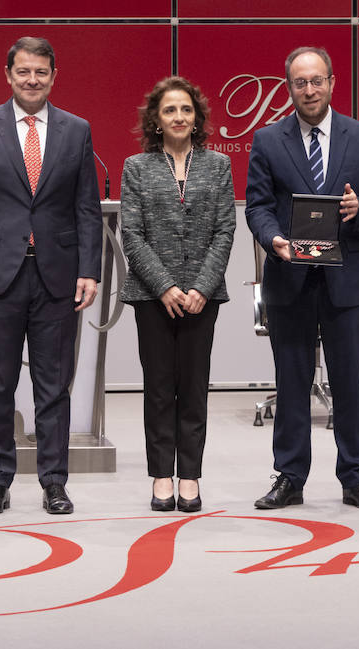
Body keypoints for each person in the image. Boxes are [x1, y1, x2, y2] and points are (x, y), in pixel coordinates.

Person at [0, 36, 103, 516]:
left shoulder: (76, 130)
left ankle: (54, 482)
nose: (32, 80)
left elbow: (86, 208)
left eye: (41, 72)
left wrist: (89, 271)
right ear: (8, 74)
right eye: (23, 72)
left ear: (53, 76)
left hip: (57, 277)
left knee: (53, 386)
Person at [245, 46, 359, 510]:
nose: (308, 90)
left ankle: (355, 476)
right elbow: (257, 207)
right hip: (289, 277)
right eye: (299, 83)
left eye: (316, 81)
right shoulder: (269, 141)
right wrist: (273, 241)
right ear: (288, 87)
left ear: (332, 82)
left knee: (350, 380)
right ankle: (290, 476)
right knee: (291, 382)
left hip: (346, 279)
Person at [120, 76, 235, 513]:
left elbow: (225, 230)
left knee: (194, 389)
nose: (179, 117)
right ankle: (161, 476)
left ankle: (190, 475)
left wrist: (200, 287)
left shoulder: (218, 165)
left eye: (186, 109)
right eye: (170, 110)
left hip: (202, 299)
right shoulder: (136, 167)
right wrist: (165, 285)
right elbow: (131, 233)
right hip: (153, 297)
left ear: (197, 116)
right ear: (156, 119)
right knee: (158, 388)